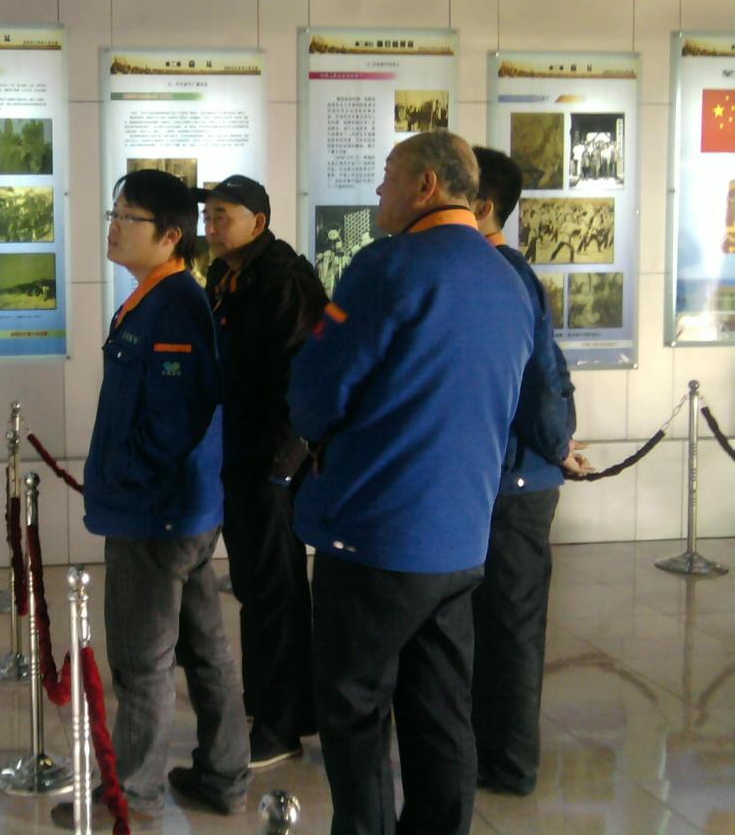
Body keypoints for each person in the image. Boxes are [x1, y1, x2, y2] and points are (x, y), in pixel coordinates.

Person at [287, 132, 533, 835]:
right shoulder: (508, 279)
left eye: (389, 175)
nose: (378, 191)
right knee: (442, 712)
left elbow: (317, 393)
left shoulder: (387, 266)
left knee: (356, 712)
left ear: (427, 185)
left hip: (375, 533)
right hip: (462, 539)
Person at [52, 169, 250, 830]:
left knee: (143, 662)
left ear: (169, 235)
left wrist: (124, 479)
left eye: (127, 217)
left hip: (157, 515)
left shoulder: (174, 306)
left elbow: (175, 420)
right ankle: (224, 774)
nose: (113, 227)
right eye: (114, 213)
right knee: (205, 649)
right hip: (175, 510)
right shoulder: (152, 297)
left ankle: (133, 794)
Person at [468, 146, 593, 797]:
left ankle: (510, 765)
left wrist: (557, 443)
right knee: (488, 624)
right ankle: (483, 749)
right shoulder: (486, 269)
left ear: (482, 205)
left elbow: (539, 377)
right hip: (497, 478)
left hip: (518, 480)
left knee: (511, 628)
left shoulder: (505, 273)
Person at [199, 175, 327, 768]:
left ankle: (279, 726)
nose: (211, 225)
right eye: (208, 215)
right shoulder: (227, 276)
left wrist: (281, 467)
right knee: (255, 586)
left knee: (275, 590)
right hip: (240, 456)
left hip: (272, 464)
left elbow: (303, 376)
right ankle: (277, 707)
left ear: (259, 221)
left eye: (223, 215)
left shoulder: (283, 279)